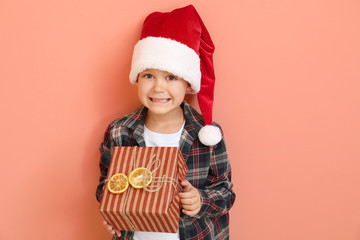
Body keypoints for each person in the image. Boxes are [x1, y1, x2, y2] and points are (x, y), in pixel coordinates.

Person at [96, 4, 236, 240]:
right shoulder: (119, 132)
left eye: (171, 77)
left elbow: (226, 192)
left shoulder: (206, 134)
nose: (158, 87)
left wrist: (201, 200)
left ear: (188, 84)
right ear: (137, 78)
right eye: (148, 75)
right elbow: (106, 185)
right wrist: (112, 210)